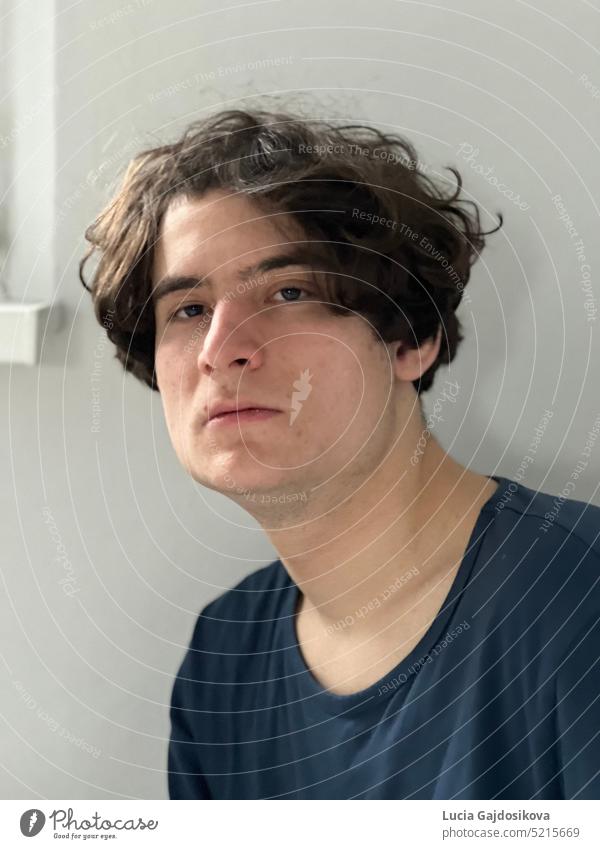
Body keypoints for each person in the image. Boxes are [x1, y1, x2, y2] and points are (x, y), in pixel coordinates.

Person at [80, 105, 600, 800]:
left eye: (288, 292)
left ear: (409, 339)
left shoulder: (577, 600)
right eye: (189, 308)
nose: (219, 349)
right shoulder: (223, 657)